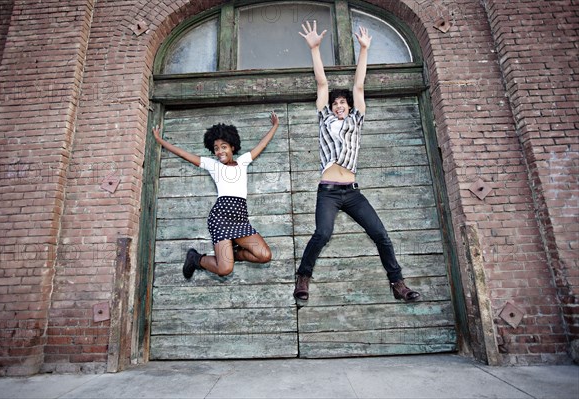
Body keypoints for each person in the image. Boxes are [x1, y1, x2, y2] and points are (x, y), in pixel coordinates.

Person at [293, 21, 420, 302]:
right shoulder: (324, 119)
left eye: (343, 103)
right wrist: (314, 49)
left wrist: (364, 49)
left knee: (381, 234)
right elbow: (322, 82)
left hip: (352, 192)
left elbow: (359, 84)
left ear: (349, 107)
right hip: (328, 191)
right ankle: (303, 278)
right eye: (335, 103)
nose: (339, 105)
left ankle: (398, 285)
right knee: (323, 234)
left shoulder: (356, 121)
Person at [152, 112, 279, 278]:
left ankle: (233, 253)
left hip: (240, 218)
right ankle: (196, 259)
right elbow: (184, 154)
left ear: (232, 147)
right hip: (221, 218)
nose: (219, 151)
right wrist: (160, 140)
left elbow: (261, 145)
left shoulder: (243, 162)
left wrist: (275, 126)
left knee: (264, 255)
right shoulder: (213, 165)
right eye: (216, 148)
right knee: (225, 269)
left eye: (224, 147)